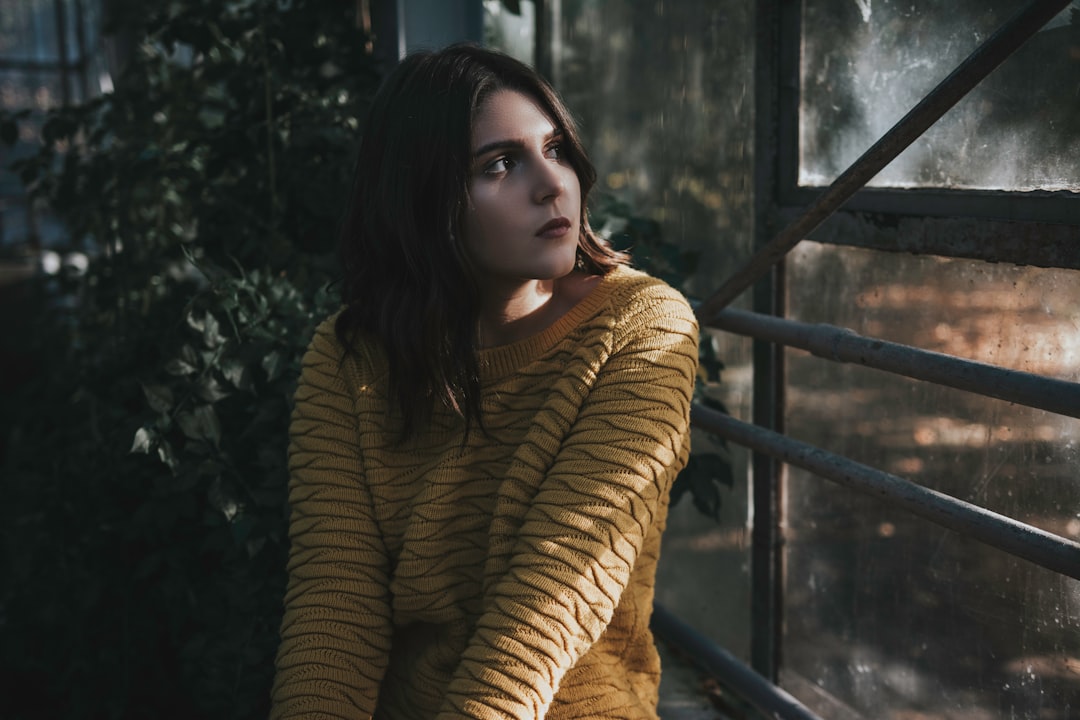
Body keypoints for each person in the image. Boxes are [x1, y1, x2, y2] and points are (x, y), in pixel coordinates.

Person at [270, 44, 699, 720]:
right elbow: (334, 613)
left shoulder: (642, 329)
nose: (551, 184)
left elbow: (550, 606)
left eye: (555, 150)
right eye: (499, 164)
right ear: (420, 197)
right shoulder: (349, 358)